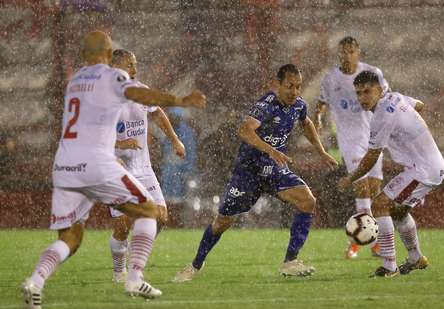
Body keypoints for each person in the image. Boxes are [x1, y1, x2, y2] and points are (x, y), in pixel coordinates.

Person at [21, 31, 206, 309]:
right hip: (97, 161)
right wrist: (179, 99)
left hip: (65, 164)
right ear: (109, 55)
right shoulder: (111, 77)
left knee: (71, 237)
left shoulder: (76, 82)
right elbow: (137, 93)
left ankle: (35, 281)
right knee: (149, 211)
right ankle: (134, 277)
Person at [173, 64, 338, 283]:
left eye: (298, 86)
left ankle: (290, 261)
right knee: (222, 222)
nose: (295, 91)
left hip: (275, 169)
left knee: (307, 201)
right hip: (249, 172)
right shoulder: (266, 104)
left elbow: (306, 122)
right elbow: (245, 130)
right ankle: (195, 265)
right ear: (278, 84)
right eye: (290, 86)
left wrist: (322, 151)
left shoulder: (298, 105)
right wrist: (271, 150)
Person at [312, 36, 423, 259]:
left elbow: (388, 98)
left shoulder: (372, 73)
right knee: (361, 185)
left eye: (351, 50)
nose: (347, 54)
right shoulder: (330, 78)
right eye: (343, 51)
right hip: (349, 139)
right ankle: (358, 241)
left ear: (358, 52)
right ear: (339, 53)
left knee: (375, 190)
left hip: (373, 136)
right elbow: (321, 103)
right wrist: (318, 117)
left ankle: (372, 243)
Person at [338, 70, 444, 277]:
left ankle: (389, 266)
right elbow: (419, 105)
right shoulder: (396, 97)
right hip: (427, 165)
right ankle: (416, 258)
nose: (362, 98)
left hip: (423, 169)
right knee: (398, 212)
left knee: (379, 204)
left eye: (367, 92)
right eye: (358, 93)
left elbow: (370, 158)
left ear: (379, 89)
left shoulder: (381, 116)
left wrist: (349, 178)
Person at [108, 49, 186, 283]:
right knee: (122, 227)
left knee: (161, 217)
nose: (135, 69)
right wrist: (121, 142)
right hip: (116, 170)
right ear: (116, 67)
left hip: (144, 170)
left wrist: (174, 140)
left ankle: (137, 252)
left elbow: (158, 113)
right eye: (130, 64)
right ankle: (118, 271)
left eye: (135, 64)